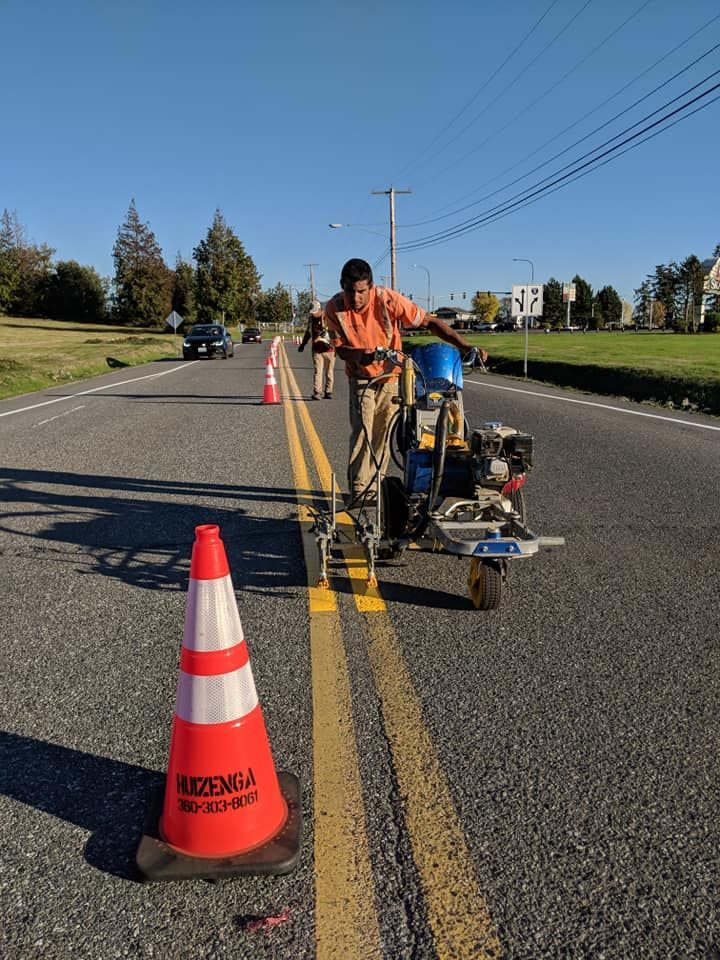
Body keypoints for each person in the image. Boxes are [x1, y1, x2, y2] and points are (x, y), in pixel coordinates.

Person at [323, 258, 488, 504]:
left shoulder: (388, 299)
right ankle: (358, 490)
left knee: (383, 432)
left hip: (391, 375)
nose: (355, 298)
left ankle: (375, 486)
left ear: (371, 286)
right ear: (342, 286)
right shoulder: (334, 308)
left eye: (361, 291)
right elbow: (341, 350)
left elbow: (430, 322)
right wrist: (363, 355)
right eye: (350, 291)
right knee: (363, 431)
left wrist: (464, 346)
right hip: (360, 377)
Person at [298, 299, 336, 400]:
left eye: (315, 311)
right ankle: (317, 392)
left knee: (329, 372)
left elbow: (336, 331)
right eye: (312, 312)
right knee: (318, 371)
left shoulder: (327, 317)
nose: (313, 314)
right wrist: (303, 344)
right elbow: (308, 333)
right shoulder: (311, 320)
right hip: (317, 350)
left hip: (330, 350)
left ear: (320, 309)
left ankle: (328, 391)